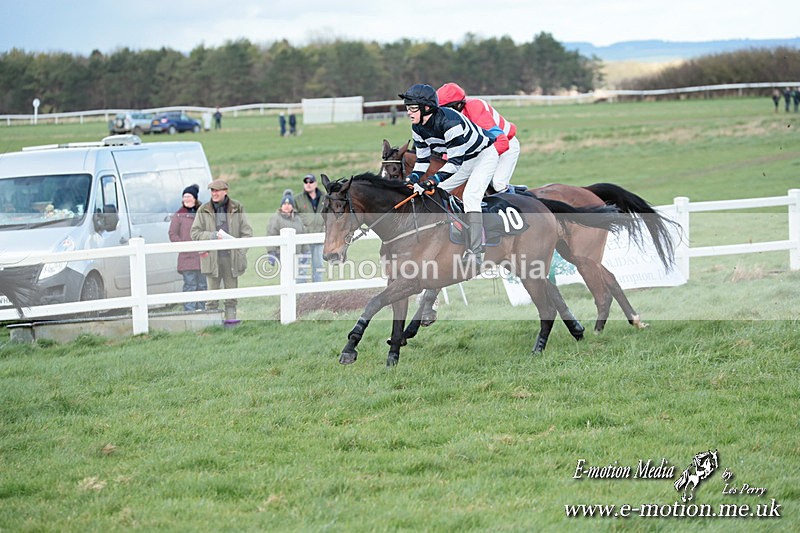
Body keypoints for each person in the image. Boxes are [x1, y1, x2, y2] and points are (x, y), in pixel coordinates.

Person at [398, 83, 498, 272]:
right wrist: (412, 180)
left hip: (484, 156)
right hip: (465, 160)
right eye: (407, 108)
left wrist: (431, 181)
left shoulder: (450, 123)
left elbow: (453, 164)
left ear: (426, 108)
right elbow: (422, 160)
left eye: (412, 108)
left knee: (470, 197)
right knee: (438, 193)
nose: (409, 113)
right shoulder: (417, 127)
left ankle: (476, 253)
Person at [436, 82, 519, 194]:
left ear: (459, 105)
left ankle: (516, 203)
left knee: (498, 184)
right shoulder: (450, 119)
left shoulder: (475, 107)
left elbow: (502, 142)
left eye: (446, 109)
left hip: (506, 145)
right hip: (483, 148)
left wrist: (478, 161)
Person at [191, 179, 253, 322]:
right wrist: (212, 236)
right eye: (212, 190)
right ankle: (212, 326)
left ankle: (231, 324)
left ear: (225, 191)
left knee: (231, 297)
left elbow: (247, 233)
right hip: (212, 258)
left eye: (217, 190)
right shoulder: (203, 209)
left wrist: (240, 252)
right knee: (212, 298)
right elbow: (195, 233)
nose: (214, 193)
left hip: (231, 258)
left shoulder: (237, 207)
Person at [168, 184, 206, 311]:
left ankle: (202, 309)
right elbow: (172, 234)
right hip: (187, 257)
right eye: (184, 197)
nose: (186, 199)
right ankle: (190, 311)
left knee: (202, 285)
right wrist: (184, 245)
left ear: (195, 198)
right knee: (190, 284)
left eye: (189, 196)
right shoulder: (178, 216)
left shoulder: (203, 213)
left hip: (202, 256)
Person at [266, 189, 308, 279]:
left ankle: (301, 293)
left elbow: (302, 234)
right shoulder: (276, 219)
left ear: (292, 206)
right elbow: (271, 235)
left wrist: (306, 251)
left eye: (289, 204)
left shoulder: (298, 219)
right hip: (283, 254)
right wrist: (271, 252)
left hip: (297, 254)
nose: (287, 206)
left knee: (301, 277)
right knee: (287, 277)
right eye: (284, 204)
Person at [294, 174, 325, 282]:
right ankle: (302, 296)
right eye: (306, 182)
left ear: (315, 183)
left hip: (320, 238)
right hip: (304, 240)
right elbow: (293, 217)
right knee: (302, 268)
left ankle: (318, 294)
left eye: (311, 182)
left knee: (318, 267)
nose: (308, 184)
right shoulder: (297, 199)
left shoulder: (325, 198)